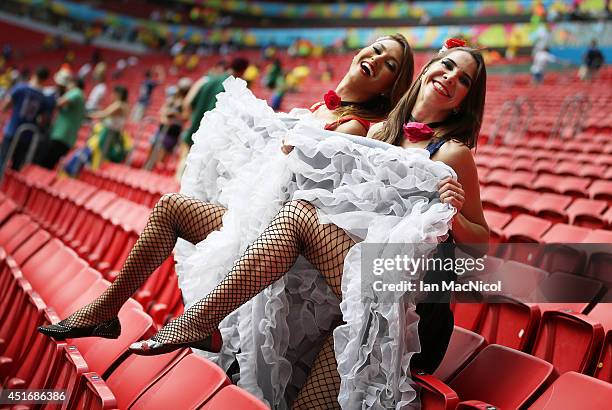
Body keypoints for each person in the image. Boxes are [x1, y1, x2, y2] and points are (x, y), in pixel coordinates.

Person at [38, 34, 416, 406]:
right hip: (255, 218)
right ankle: (106, 309)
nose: (377, 59)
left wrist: (284, 147)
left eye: (390, 65)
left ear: (389, 88)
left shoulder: (353, 127)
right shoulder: (319, 109)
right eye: (377, 50)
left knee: (176, 209)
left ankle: (191, 322)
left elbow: (304, 191)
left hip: (285, 243)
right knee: (171, 206)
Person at [0, 66, 53, 171]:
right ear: (45, 79)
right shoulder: (44, 97)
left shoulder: (20, 88)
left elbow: (5, 106)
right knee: (16, 167)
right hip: (27, 135)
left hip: (12, 130)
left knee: (2, 161)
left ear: (34, 74)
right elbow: (44, 120)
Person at [39, 74, 85, 169]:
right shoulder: (81, 97)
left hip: (60, 136)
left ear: (74, 84)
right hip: (66, 138)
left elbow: (59, 103)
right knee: (49, 165)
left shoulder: (76, 92)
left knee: (44, 163)